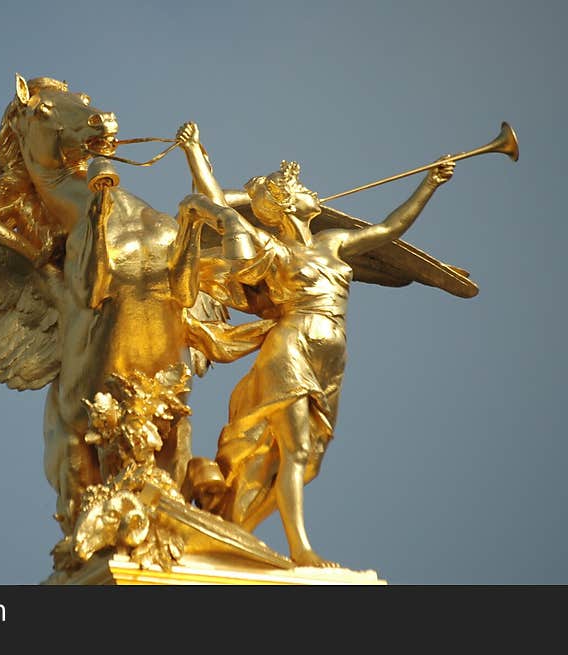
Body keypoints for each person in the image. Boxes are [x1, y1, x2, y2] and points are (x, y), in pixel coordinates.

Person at [176, 122, 454, 566]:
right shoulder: (271, 249)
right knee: (296, 450)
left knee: (310, 462)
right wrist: (194, 153)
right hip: (290, 347)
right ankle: (301, 549)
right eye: (304, 191)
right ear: (286, 204)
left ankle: (234, 528)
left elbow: (388, 231)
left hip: (331, 358)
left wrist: (430, 184)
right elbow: (214, 204)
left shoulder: (333, 242)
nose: (315, 195)